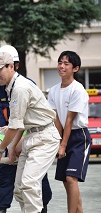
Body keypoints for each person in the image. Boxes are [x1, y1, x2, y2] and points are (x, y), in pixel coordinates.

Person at [0, 51, 61, 213]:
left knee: (29, 184)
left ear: (11, 66)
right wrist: (13, 149)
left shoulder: (20, 88)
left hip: (44, 137)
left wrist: (0, 150)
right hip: (31, 137)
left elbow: (13, 126)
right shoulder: (11, 87)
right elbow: (20, 123)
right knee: (20, 190)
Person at [48, 51, 91, 213]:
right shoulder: (53, 91)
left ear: (75, 68)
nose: (62, 66)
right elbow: (57, 119)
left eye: (66, 63)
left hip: (79, 137)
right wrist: (57, 142)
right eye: (60, 62)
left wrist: (63, 145)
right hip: (63, 136)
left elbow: (69, 120)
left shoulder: (78, 90)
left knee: (71, 178)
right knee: (67, 182)